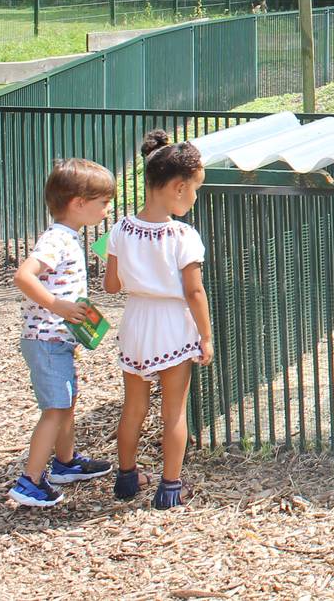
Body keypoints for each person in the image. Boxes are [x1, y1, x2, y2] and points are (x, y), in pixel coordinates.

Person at [106, 130, 214, 509]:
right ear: (179, 187)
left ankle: (126, 476)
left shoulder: (119, 228)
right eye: (195, 189)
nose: (195, 197)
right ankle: (170, 487)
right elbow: (194, 292)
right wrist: (206, 336)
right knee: (174, 411)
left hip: (135, 322)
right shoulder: (183, 235)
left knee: (133, 406)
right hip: (172, 325)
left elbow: (111, 284)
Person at [8, 159, 117, 507]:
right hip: (46, 338)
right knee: (55, 408)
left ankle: (65, 463)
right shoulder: (56, 238)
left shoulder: (67, 236)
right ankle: (29, 481)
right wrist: (57, 306)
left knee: (67, 402)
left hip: (57, 338)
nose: (107, 209)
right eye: (102, 203)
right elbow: (24, 276)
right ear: (78, 203)